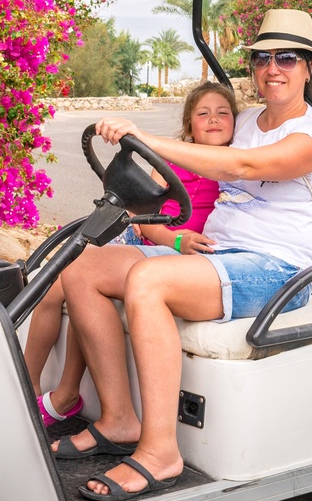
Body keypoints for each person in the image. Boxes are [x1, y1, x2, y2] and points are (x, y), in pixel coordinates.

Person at [53, 9, 312, 501]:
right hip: (219, 255)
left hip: (278, 270)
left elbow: (244, 166)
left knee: (148, 282)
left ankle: (160, 451)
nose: (273, 68)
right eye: (262, 57)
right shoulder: (243, 120)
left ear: (309, 67)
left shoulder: (311, 136)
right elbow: (200, 154)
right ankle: (119, 418)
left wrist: (144, 139)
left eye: (287, 58)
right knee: (84, 267)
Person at [23, 83, 239, 428]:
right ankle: (27, 387)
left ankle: (66, 395)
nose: (213, 120)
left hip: (181, 258)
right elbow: (147, 222)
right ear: (189, 124)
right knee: (55, 282)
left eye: (223, 113)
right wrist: (173, 238)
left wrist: (179, 244)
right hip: (155, 240)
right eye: (203, 113)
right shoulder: (172, 159)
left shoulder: (234, 167)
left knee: (88, 281)